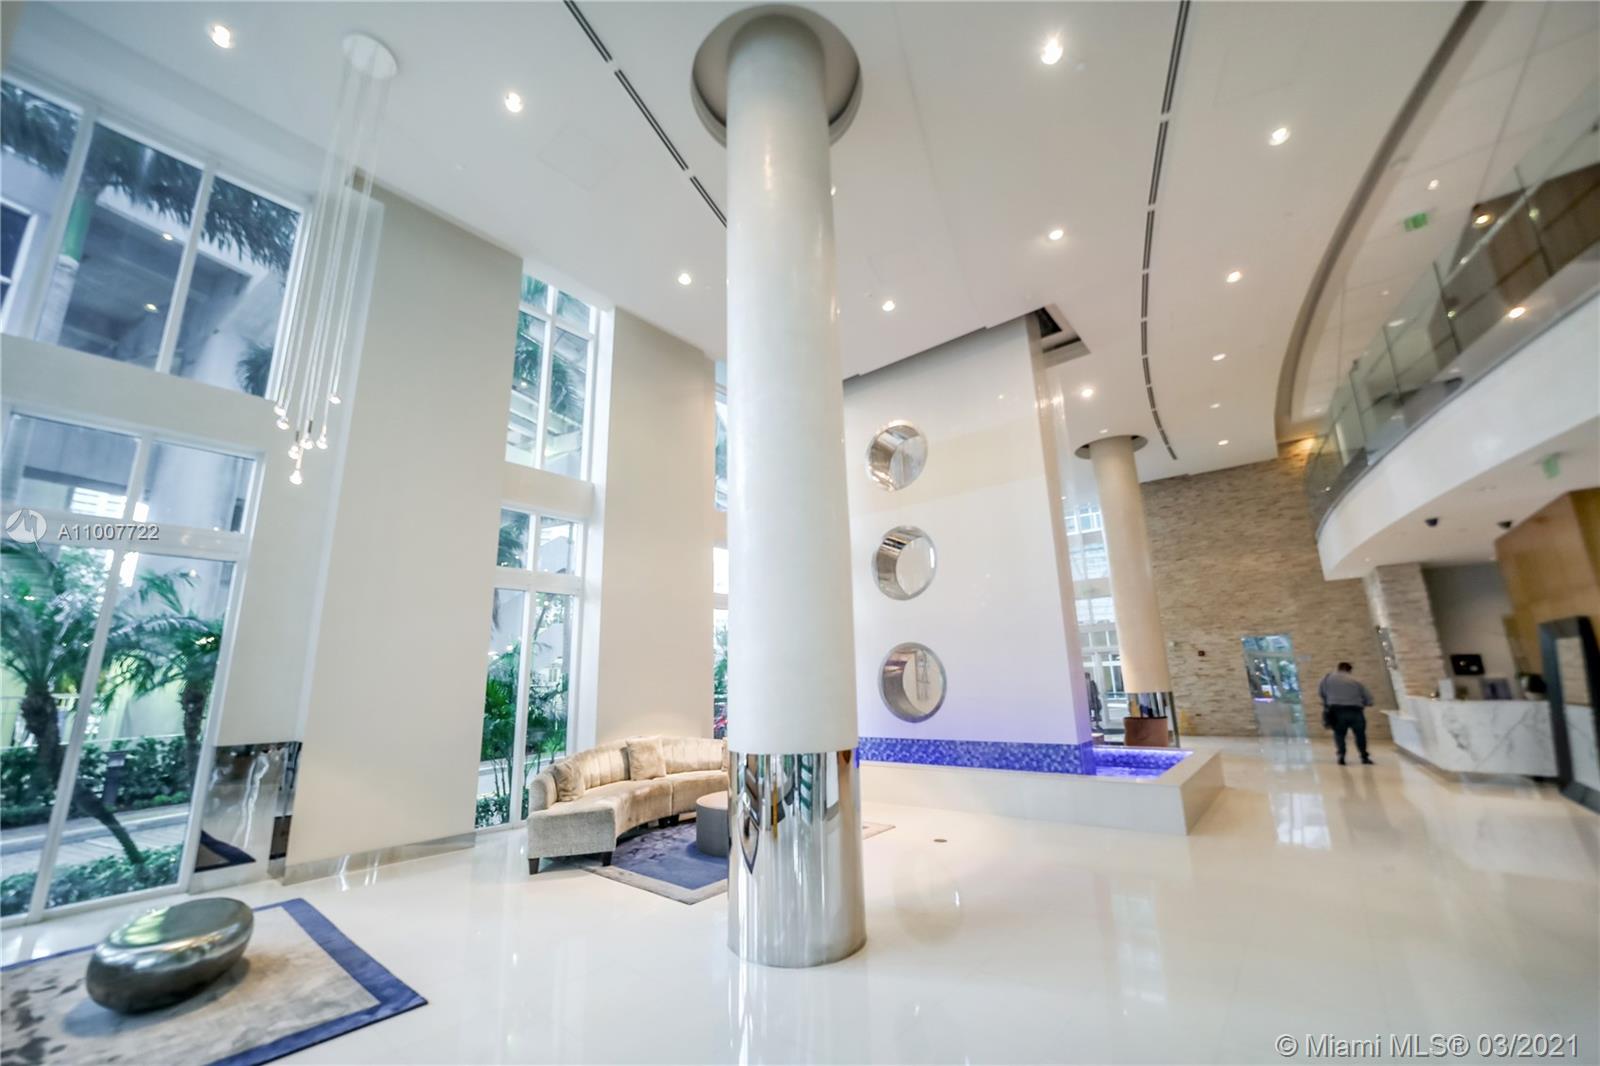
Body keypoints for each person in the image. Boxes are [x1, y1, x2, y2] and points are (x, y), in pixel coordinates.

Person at [1318, 661, 1374, 765]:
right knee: (1360, 735)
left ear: (1338, 668)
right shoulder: (1357, 680)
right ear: (1350, 670)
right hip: (1355, 711)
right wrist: (1366, 703)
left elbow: (1322, 694)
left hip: (1336, 711)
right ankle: (1364, 757)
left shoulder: (1327, 679)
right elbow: (1369, 699)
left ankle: (1341, 755)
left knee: (1339, 734)